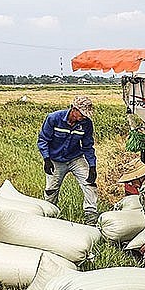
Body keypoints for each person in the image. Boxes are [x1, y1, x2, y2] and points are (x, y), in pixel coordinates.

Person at [37, 95, 99, 225]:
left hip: (75, 158)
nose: (84, 117)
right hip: (55, 160)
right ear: (73, 109)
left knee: (90, 184)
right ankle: (49, 216)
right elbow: (43, 140)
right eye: (82, 114)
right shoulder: (54, 118)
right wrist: (46, 159)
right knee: (51, 189)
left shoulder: (86, 123)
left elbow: (87, 145)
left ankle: (91, 219)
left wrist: (92, 166)